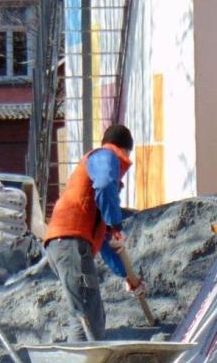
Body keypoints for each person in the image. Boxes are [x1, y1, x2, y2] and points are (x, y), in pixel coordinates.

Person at [44, 124, 146, 342]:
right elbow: (105, 183)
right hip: (71, 242)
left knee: (88, 314)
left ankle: (82, 362)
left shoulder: (95, 200)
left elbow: (107, 243)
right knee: (87, 317)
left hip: (63, 243)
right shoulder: (105, 156)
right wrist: (116, 224)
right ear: (125, 150)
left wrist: (129, 277)